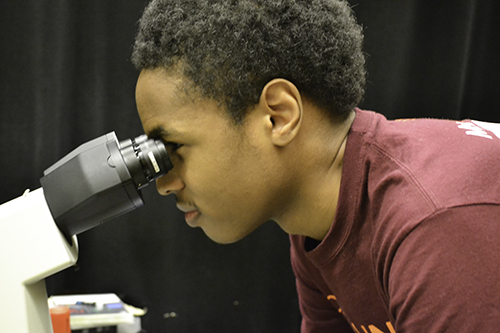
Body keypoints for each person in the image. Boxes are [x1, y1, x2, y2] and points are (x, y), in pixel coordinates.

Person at [131, 0, 500, 332]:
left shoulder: (432, 222)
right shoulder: (320, 220)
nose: (165, 183)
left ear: (278, 116)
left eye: (174, 147)